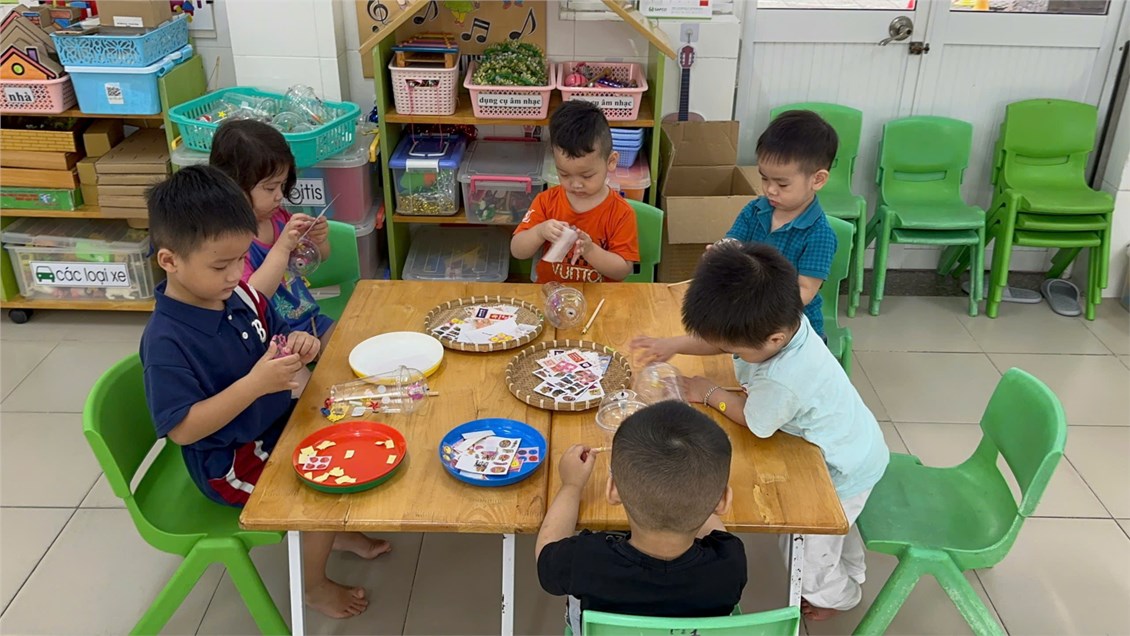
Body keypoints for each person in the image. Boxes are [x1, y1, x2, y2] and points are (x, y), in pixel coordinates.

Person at [140, 166, 390, 619]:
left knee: (358, 427)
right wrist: (254, 385)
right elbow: (182, 429)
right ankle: (314, 585)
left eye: (241, 259)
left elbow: (276, 334)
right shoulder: (167, 341)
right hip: (231, 460)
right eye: (221, 265)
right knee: (323, 486)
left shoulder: (238, 295)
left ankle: (331, 533)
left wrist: (299, 343)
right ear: (170, 261)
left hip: (274, 422)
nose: (236, 274)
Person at [632, 242, 889, 622]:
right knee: (838, 531)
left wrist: (709, 392)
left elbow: (754, 422)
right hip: (857, 442)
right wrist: (673, 344)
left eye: (733, 348)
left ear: (773, 340)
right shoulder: (781, 321)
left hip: (842, 469)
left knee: (806, 552)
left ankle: (841, 597)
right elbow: (722, 339)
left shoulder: (785, 379)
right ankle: (850, 568)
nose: (726, 350)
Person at [536, 401, 746, 633]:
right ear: (723, 501)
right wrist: (695, 494)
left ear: (612, 490)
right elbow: (714, 531)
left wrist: (571, 485)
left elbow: (545, 554)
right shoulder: (730, 564)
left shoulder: (585, 560)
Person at [209, 119, 334, 349]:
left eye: (282, 185)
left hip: (310, 322)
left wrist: (319, 240)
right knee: (297, 373)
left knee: (347, 342)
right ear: (233, 185)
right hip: (269, 338)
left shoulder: (279, 218)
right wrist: (282, 247)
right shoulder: (232, 241)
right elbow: (253, 296)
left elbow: (320, 257)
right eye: (269, 188)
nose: (279, 196)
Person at [715, 110, 838, 339]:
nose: (770, 190)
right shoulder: (754, 210)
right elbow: (734, 242)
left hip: (794, 331)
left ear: (817, 179)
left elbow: (804, 291)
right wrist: (722, 251)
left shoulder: (819, 234)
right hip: (750, 315)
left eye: (782, 184)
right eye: (764, 178)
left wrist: (762, 312)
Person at [511, 101, 639, 283]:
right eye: (564, 174)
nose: (576, 184)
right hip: (553, 293)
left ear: (611, 161)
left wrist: (590, 250)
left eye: (587, 176)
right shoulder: (546, 201)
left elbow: (622, 271)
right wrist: (539, 232)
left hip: (599, 296)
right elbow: (517, 250)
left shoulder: (621, 213)